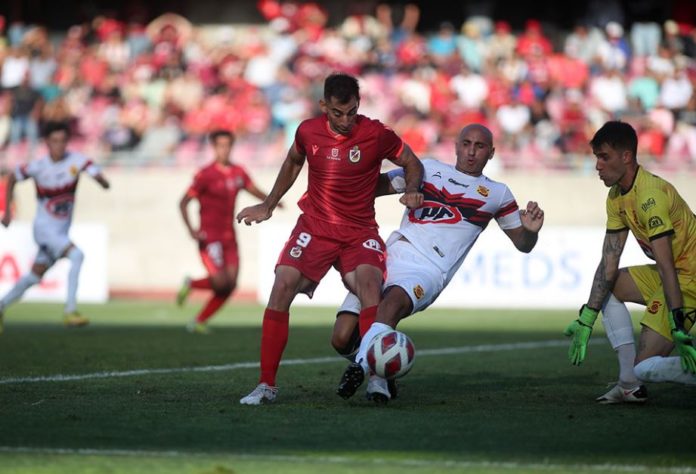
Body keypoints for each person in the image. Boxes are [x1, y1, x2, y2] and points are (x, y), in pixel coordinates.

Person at [236, 72, 424, 405]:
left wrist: (412, 190)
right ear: (324, 106)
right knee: (282, 285)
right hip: (315, 227)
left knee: (370, 286)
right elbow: (294, 160)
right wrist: (267, 204)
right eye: (338, 113)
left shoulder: (376, 134)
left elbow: (412, 162)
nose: (345, 120)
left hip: (359, 231)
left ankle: (378, 380)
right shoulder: (307, 131)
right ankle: (266, 385)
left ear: (358, 105)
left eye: (351, 112)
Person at [333, 123, 545, 402]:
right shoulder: (425, 168)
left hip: (429, 269)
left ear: (491, 153)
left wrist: (530, 231)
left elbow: (522, 244)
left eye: (479, 146)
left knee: (391, 306)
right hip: (391, 253)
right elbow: (374, 187)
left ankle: (363, 371)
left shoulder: (497, 194)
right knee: (342, 337)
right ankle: (383, 369)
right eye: (466, 143)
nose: (471, 152)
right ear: (456, 146)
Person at [564, 121, 696, 404]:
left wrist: (677, 322)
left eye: (604, 157)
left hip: (689, 277)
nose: (598, 165)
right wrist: (587, 316)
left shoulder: (650, 195)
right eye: (596, 157)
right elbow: (608, 262)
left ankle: (637, 376)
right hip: (673, 273)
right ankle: (628, 385)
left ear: (626, 156)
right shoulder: (616, 197)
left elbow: (666, 264)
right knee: (610, 287)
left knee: (646, 367)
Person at [0, 121, 110, 333]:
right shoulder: (39, 167)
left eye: (62, 141)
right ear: (47, 143)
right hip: (43, 229)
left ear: (67, 142)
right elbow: (13, 176)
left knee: (34, 276)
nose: (58, 145)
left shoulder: (77, 162)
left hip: (60, 231)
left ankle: (1, 306)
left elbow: (98, 174)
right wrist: (8, 211)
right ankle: (70, 310)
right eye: (54, 141)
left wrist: (101, 180)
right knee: (77, 255)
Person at [177, 129, 273, 334]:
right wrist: (191, 230)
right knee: (221, 282)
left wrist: (271, 202)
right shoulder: (205, 174)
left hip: (230, 237)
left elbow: (252, 189)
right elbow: (183, 203)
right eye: (220, 145)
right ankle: (192, 284)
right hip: (210, 237)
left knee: (230, 285)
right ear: (213, 147)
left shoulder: (238, 172)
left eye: (228, 145)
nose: (224, 149)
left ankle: (198, 321)